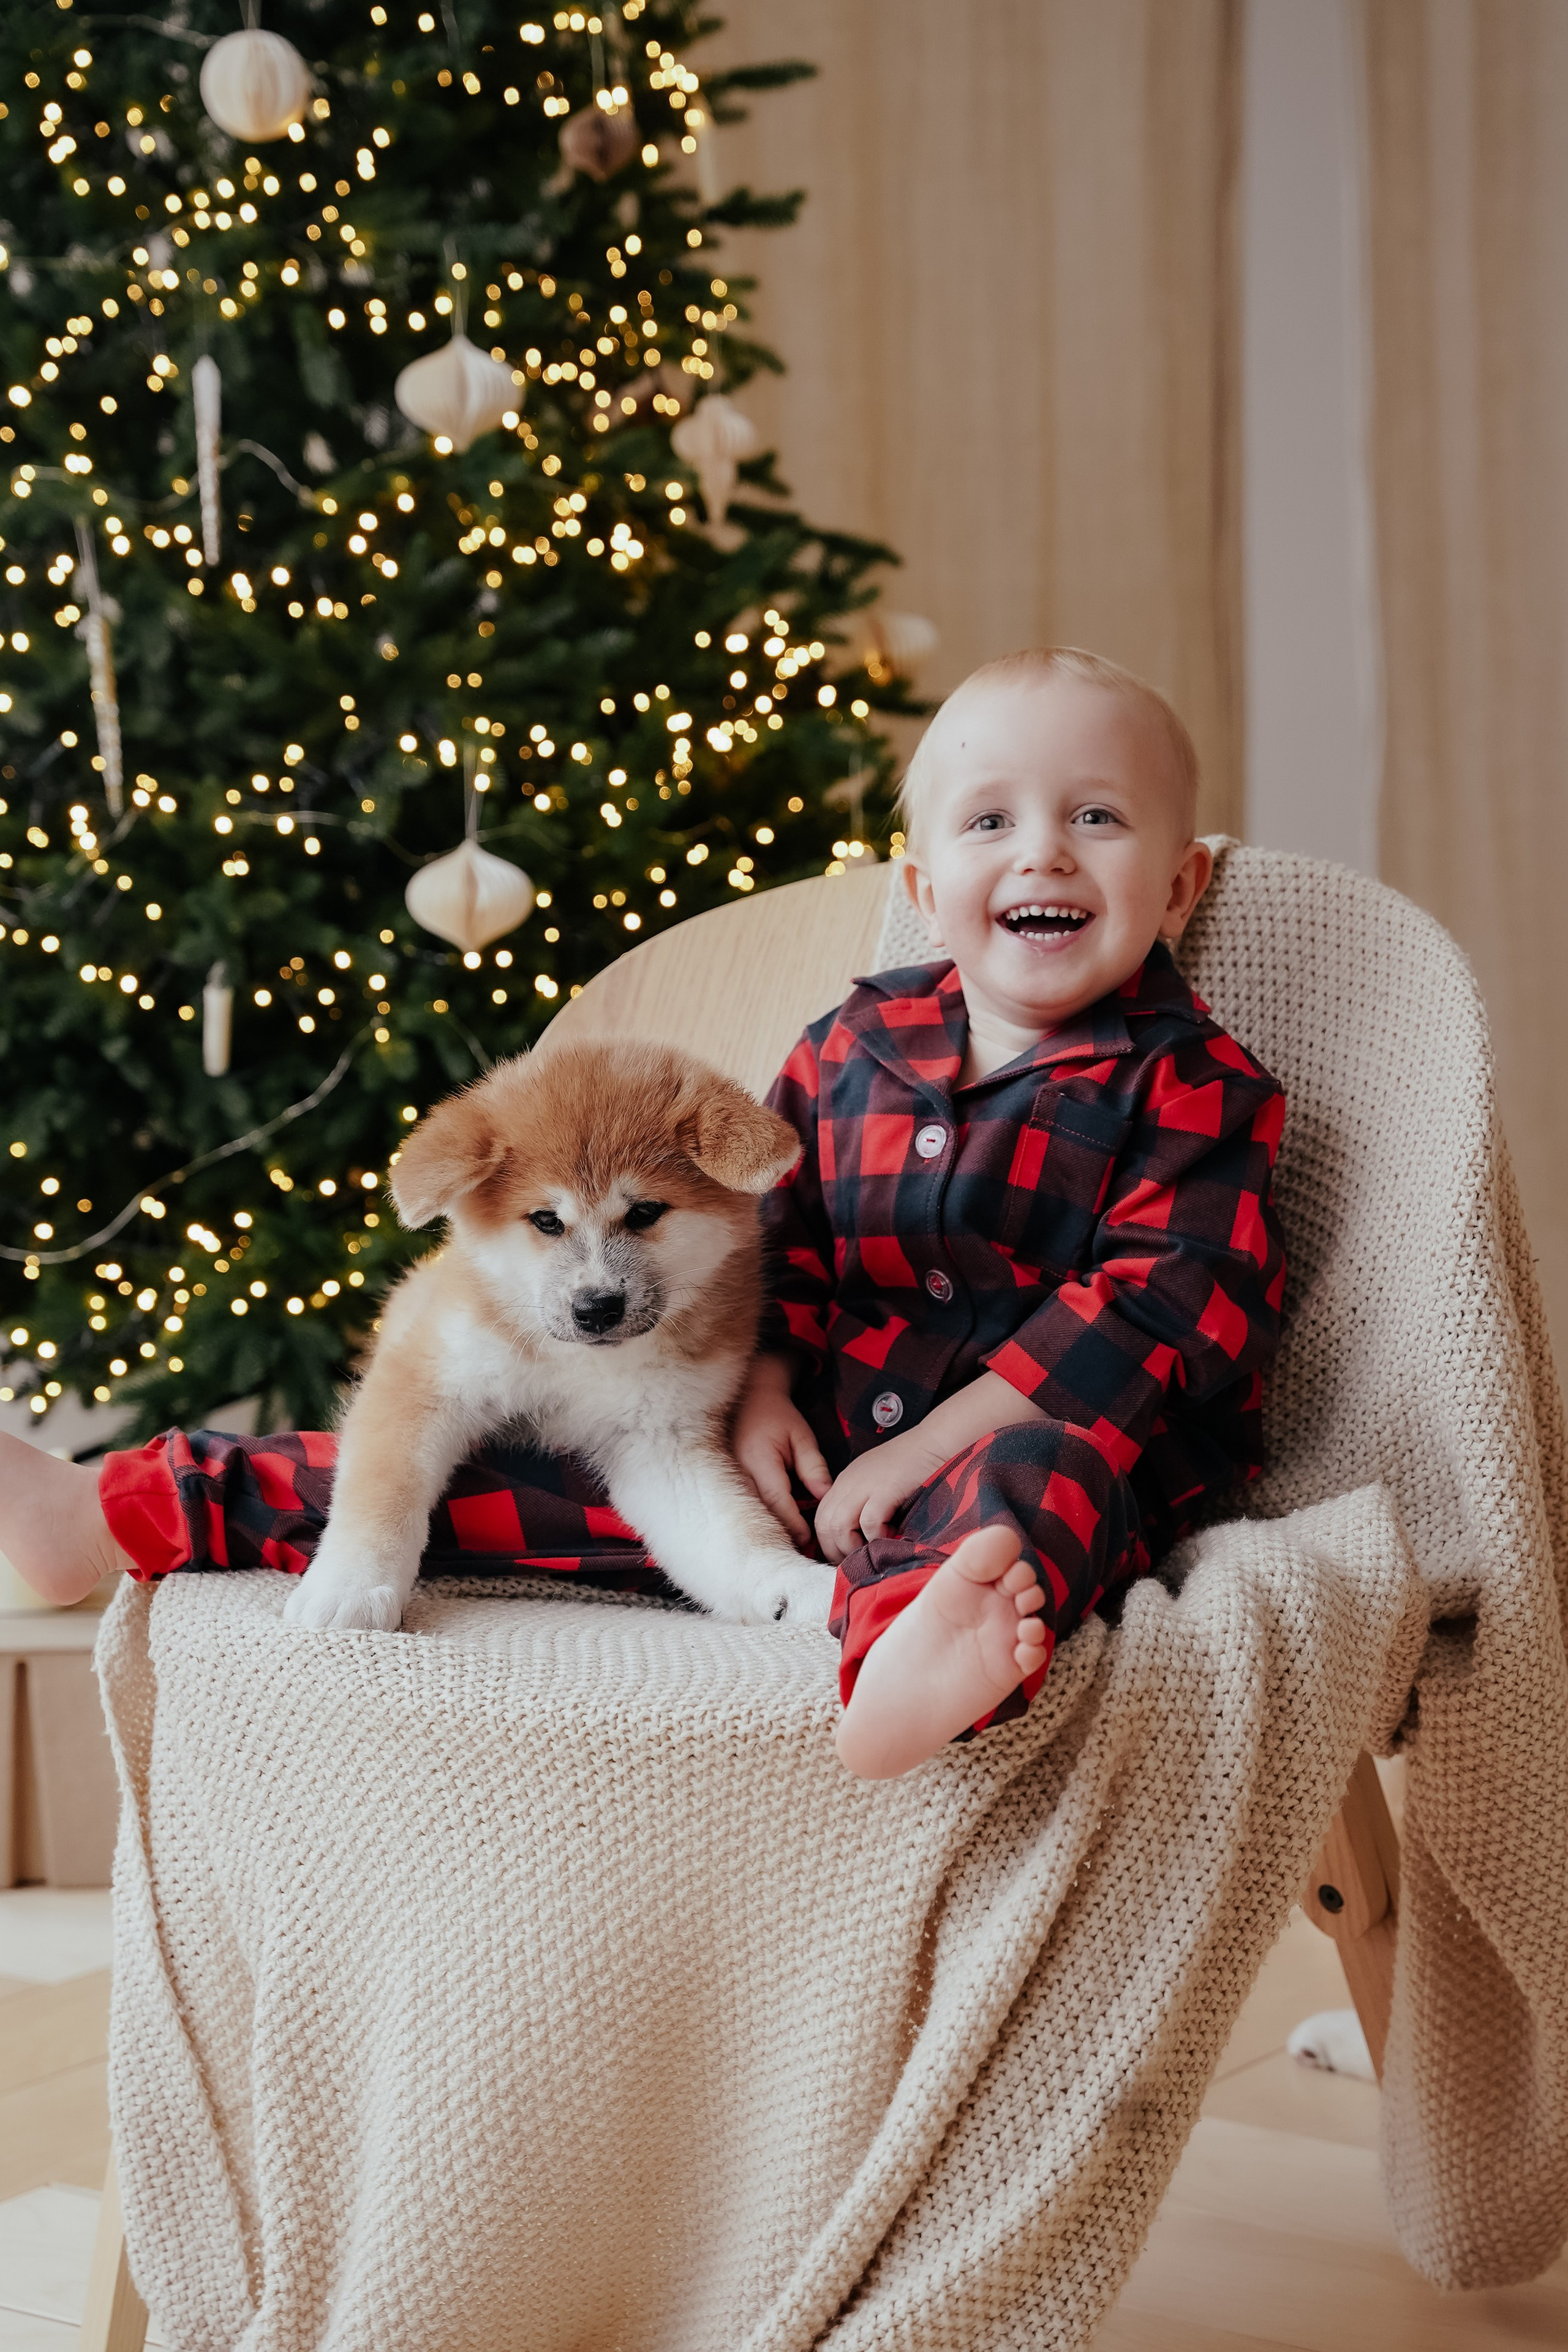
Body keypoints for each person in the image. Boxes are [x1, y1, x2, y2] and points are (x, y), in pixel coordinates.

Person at [0, 647, 1284, 1782]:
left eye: (1096, 818)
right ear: (923, 880)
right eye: (990, 821)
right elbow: (791, 1244)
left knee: (1035, 1493)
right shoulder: (854, 1042)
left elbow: (1149, 1316)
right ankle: (111, 1511)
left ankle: (907, 1660)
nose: (1041, 851)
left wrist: (918, 1452)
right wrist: (769, 1386)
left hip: (1038, 1452)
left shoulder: (1194, 1086)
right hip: (795, 1466)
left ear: (1176, 887)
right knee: (436, 1479)